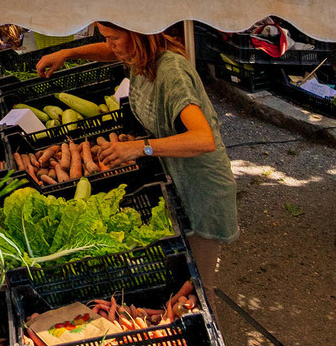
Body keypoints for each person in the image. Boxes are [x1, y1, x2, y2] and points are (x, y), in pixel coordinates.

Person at [35, 24, 239, 290]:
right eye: (106, 38)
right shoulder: (141, 56)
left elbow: (203, 139)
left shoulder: (171, 72)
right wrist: (68, 53)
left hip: (201, 188)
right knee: (180, 281)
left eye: (113, 38)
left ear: (137, 34)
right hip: (174, 177)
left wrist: (142, 147)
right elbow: (110, 51)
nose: (110, 45)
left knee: (196, 288)